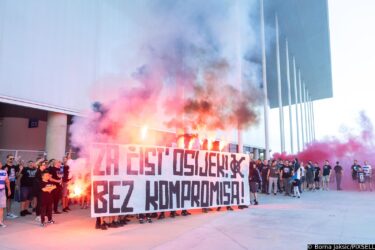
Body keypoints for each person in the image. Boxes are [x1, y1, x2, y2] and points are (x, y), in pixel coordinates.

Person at [2, 154, 21, 219]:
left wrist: (20, 170)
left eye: (13, 159)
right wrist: (5, 171)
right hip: (4, 185)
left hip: (12, 184)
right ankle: (6, 213)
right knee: (4, 199)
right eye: (10, 158)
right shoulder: (4, 167)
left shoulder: (15, 167)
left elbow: (17, 176)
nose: (12, 160)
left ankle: (8, 213)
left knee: (9, 199)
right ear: (7, 159)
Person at [0, 162, 11, 227]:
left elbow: (7, 181)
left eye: (0, 164)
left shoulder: (4, 172)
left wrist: (9, 189)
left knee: (1, 207)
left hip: (2, 191)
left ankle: (0, 221)